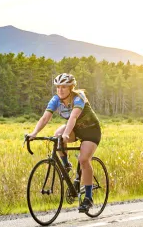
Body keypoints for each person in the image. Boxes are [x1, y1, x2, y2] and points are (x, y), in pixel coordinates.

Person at [25, 73, 102, 213]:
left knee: (84, 160)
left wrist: (66, 133)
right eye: (58, 87)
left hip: (91, 130)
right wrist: (34, 133)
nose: (60, 90)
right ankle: (66, 165)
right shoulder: (55, 100)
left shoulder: (79, 98)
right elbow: (45, 118)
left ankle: (88, 198)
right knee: (57, 135)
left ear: (71, 87)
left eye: (64, 87)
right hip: (75, 130)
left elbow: (73, 117)